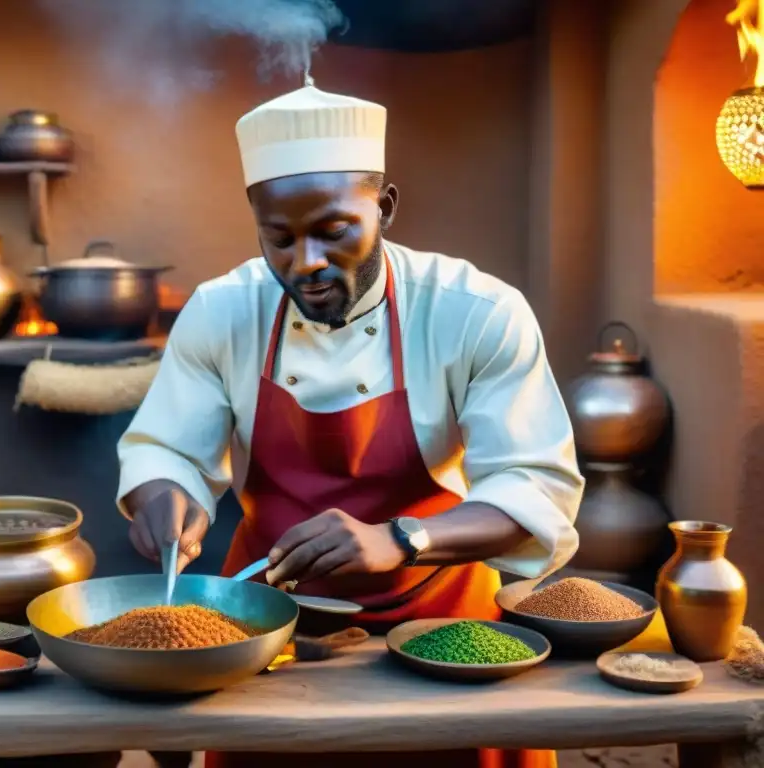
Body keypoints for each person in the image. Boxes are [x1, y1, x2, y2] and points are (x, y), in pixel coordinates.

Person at [117, 80, 584, 768]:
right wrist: (167, 500)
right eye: (279, 239)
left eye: (333, 233)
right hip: (270, 630)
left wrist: (404, 536)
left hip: (445, 624)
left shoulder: (475, 311)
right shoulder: (223, 311)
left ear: (384, 207)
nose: (304, 263)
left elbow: (535, 488)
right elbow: (167, 449)